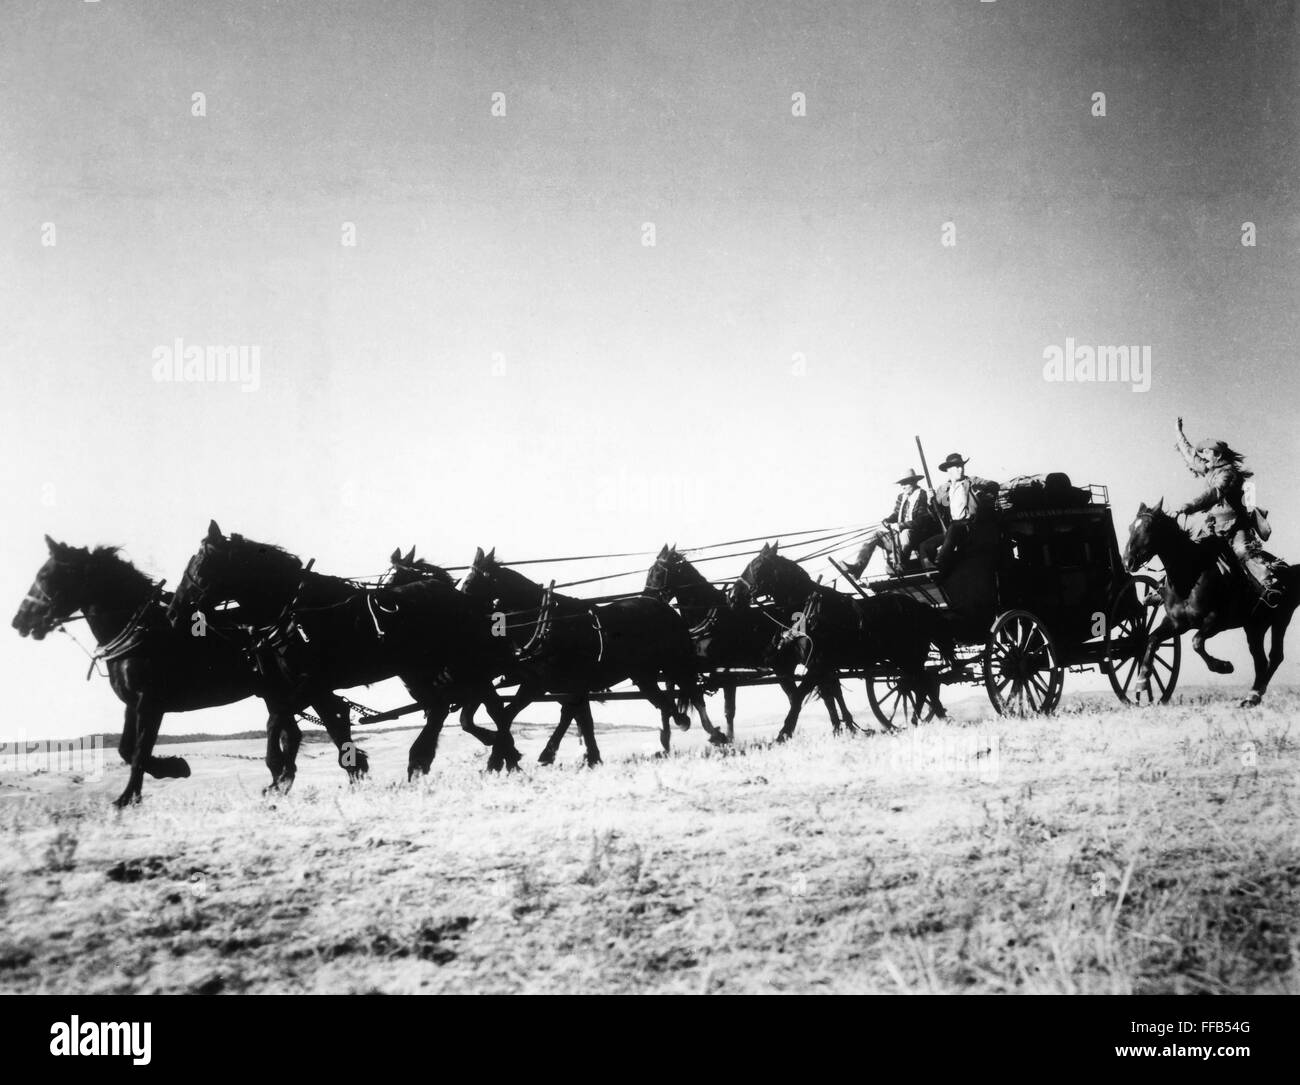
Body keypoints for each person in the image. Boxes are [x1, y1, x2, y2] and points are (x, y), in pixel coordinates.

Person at [1175, 417, 1283, 606]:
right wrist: (1179, 432)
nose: (1203, 455)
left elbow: (1214, 493)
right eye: (1203, 452)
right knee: (1190, 553)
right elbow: (1190, 455)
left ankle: (1269, 583)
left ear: (1217, 455)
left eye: (1207, 452)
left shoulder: (1228, 473)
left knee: (1243, 552)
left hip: (1235, 526)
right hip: (1213, 525)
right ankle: (1167, 590)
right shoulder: (1209, 469)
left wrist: (1191, 505)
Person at [843, 468, 937, 576]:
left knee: (906, 534)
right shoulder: (901, 497)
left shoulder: (922, 495)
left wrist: (901, 525)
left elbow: (921, 521)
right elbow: (896, 514)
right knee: (875, 535)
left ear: (914, 482)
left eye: (905, 483)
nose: (903, 486)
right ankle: (857, 568)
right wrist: (888, 520)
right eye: (901, 484)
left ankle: (900, 565)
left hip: (917, 535)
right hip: (899, 535)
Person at [919, 452, 999, 577]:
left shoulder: (971, 481)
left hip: (971, 526)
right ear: (948, 470)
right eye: (956, 467)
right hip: (952, 528)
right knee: (925, 546)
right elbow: (936, 513)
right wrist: (930, 501)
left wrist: (982, 491)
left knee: (954, 529)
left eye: (961, 466)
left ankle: (940, 563)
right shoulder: (944, 489)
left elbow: (993, 485)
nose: (960, 469)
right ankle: (930, 571)